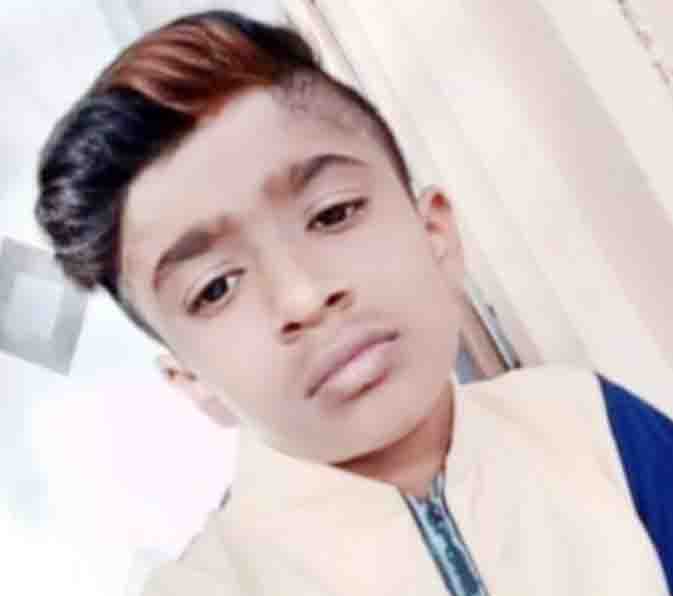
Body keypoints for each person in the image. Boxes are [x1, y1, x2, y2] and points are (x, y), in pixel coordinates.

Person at [34, 10, 673, 596]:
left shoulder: (588, 424)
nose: (304, 297)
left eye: (333, 214)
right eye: (216, 287)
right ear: (191, 381)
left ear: (435, 232)